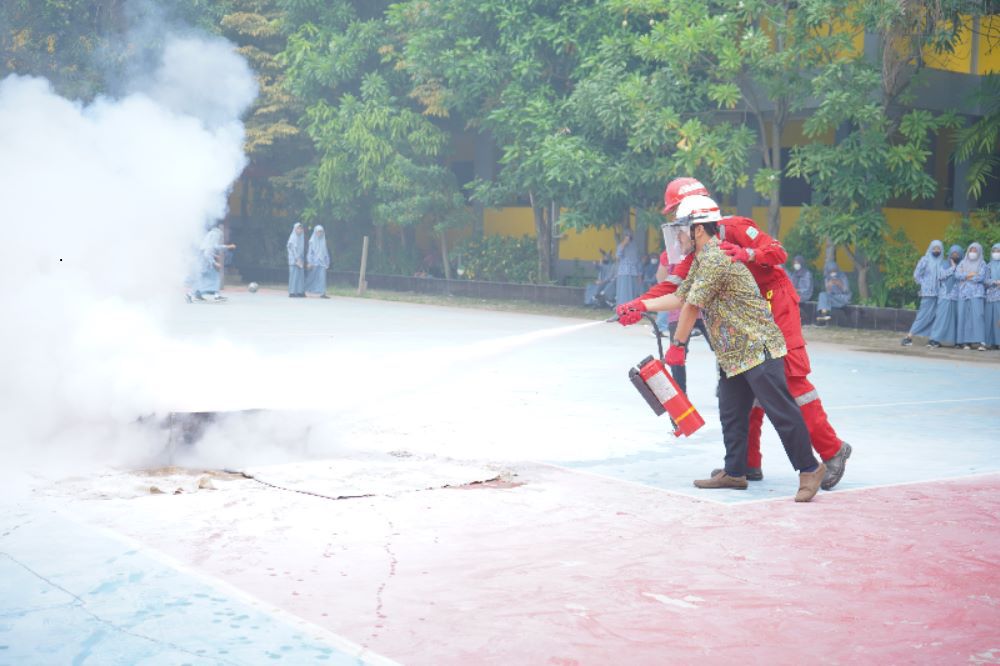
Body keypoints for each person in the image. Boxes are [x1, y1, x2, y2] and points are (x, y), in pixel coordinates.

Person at [617, 177, 852, 490]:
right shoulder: (696, 252)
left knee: (789, 380)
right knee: (741, 384)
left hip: (772, 303)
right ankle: (745, 464)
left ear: (697, 219)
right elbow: (676, 288)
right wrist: (638, 304)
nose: (674, 224)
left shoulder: (734, 230)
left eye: (678, 215)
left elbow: (776, 252)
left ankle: (831, 450)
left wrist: (749, 255)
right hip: (737, 321)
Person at [901, 240, 945, 346]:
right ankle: (909, 337)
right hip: (927, 293)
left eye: (938, 248)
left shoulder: (943, 262)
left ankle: (932, 339)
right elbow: (916, 275)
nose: (936, 250)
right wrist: (925, 285)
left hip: (940, 294)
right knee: (923, 315)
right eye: (934, 248)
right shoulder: (925, 260)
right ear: (930, 248)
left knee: (936, 316)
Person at [186, 223, 235, 303]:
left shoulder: (209, 239)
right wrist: (214, 263)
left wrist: (217, 255)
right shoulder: (215, 235)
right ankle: (216, 295)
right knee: (214, 278)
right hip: (206, 264)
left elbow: (213, 248)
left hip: (204, 263)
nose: (220, 238)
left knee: (202, 280)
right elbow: (208, 253)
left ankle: (194, 295)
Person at [928, 244, 964, 348]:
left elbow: (963, 276)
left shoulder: (963, 265)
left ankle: (957, 342)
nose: (955, 256)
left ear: (961, 255)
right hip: (945, 296)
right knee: (941, 318)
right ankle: (934, 339)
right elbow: (940, 276)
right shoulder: (944, 264)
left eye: (957, 254)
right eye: (953, 254)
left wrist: (956, 268)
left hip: (958, 296)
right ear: (949, 255)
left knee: (957, 319)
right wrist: (953, 268)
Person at [955, 242, 988, 351]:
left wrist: (966, 276)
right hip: (963, 294)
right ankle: (966, 342)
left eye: (975, 251)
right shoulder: (962, 263)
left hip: (977, 294)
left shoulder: (982, 263)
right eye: (971, 250)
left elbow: (981, 277)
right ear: (968, 251)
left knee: (978, 317)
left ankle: (980, 342)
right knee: (965, 317)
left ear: (979, 252)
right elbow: (957, 275)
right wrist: (971, 274)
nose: (972, 253)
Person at [615, 229, 642, 306]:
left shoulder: (635, 246)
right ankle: (622, 309)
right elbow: (617, 256)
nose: (628, 237)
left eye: (629, 235)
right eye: (626, 235)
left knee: (632, 292)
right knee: (623, 292)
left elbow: (638, 261)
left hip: (634, 272)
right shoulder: (621, 245)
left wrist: (639, 274)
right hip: (624, 272)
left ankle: (630, 309)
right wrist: (624, 244)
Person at [305, 225, 330, 298]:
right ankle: (305, 290)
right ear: (315, 232)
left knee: (322, 278)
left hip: (322, 262)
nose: (320, 233)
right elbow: (310, 252)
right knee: (311, 277)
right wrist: (310, 261)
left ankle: (322, 293)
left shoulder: (323, 241)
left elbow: (325, 252)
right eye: (318, 232)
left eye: (321, 232)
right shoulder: (312, 241)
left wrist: (327, 261)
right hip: (314, 262)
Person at [986, 243, 1000, 349]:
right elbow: (985, 280)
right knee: (990, 319)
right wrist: (995, 282)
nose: (996, 253)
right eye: (994, 251)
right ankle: (990, 342)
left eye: (998, 251)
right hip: (990, 296)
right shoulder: (988, 266)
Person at [287, 222, 306, 298]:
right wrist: (297, 259)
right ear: (295, 229)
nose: (300, 230)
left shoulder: (301, 237)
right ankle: (292, 292)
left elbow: (301, 249)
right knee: (294, 276)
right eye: (298, 228)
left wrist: (300, 259)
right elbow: (293, 249)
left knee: (300, 276)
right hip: (294, 259)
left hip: (300, 259)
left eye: (301, 228)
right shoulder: (293, 237)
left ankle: (300, 291)